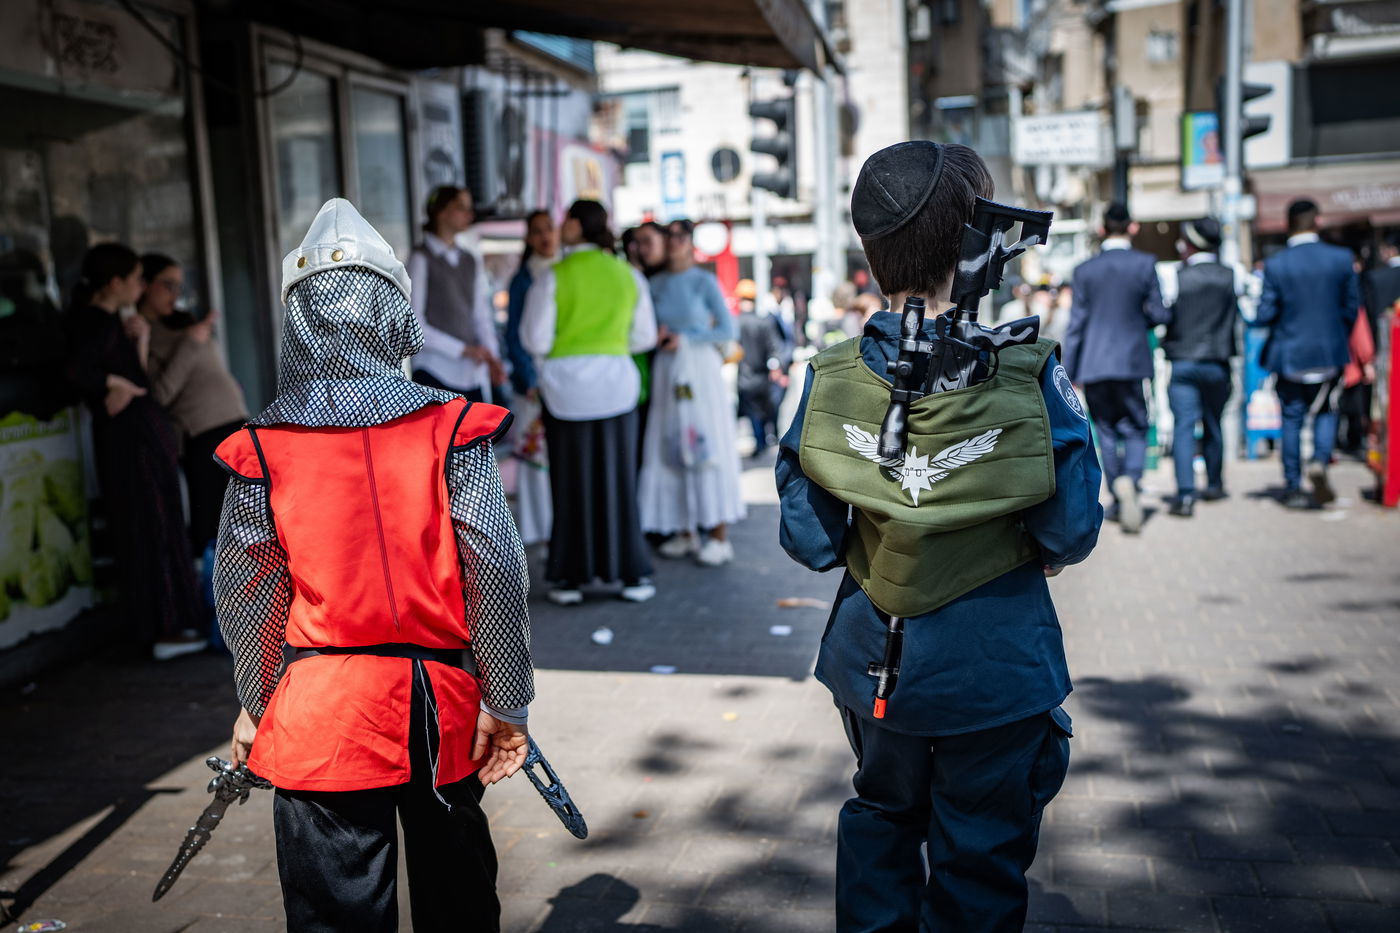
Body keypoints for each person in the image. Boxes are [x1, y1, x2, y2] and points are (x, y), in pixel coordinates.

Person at [777, 140, 1102, 932]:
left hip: (873, 663)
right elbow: (1072, 526)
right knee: (980, 863)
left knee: (881, 820)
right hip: (996, 666)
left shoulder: (832, 373)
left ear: (869, 246)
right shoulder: (1028, 371)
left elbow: (812, 540)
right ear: (978, 238)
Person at [215, 198, 533, 932]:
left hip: (320, 713)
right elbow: (496, 571)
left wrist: (261, 702)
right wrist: (507, 703)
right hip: (438, 706)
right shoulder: (448, 425)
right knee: (457, 906)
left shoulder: (266, 444)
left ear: (299, 318)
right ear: (392, 313)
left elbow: (246, 592)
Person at [63, 243, 205, 659]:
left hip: (139, 439)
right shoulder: (93, 322)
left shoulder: (111, 322)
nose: (142, 287)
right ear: (116, 283)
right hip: (131, 445)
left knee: (157, 524)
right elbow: (76, 373)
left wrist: (137, 348)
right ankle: (162, 628)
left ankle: (167, 625)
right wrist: (110, 385)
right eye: (138, 279)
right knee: (150, 527)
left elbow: (134, 379)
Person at [520, 199, 658, 604]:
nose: (561, 226)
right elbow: (644, 338)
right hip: (617, 386)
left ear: (578, 226)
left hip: (565, 390)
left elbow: (535, 339)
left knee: (569, 484)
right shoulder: (628, 275)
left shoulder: (553, 276)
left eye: (566, 220)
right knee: (619, 482)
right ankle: (631, 574)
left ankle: (569, 579)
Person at [640, 219, 746, 567]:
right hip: (667, 371)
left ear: (690, 242)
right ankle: (683, 529)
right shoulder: (652, 283)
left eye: (681, 236)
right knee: (670, 444)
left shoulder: (704, 280)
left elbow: (728, 329)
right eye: (668, 235)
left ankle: (718, 534)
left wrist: (686, 339)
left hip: (699, 371)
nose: (674, 242)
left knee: (706, 443)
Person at [1062, 202, 1170, 534]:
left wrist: (1069, 370)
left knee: (1105, 429)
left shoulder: (1084, 270)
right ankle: (1132, 481)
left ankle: (1117, 491)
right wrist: (1142, 318)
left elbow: (1076, 324)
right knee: (1137, 425)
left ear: (1102, 229)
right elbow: (1159, 314)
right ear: (1132, 227)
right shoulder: (1144, 264)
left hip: (1093, 363)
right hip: (1132, 360)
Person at [136, 253, 249, 550]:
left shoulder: (183, 324)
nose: (175, 294)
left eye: (179, 287)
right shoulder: (143, 334)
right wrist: (189, 343)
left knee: (248, 519)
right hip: (202, 436)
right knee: (215, 526)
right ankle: (213, 594)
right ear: (144, 285)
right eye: (167, 285)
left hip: (234, 423)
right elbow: (159, 394)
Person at [1255, 199, 1359, 509]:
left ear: (1288, 225)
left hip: (1290, 353)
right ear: (1318, 221)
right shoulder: (1341, 259)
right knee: (1326, 410)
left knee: (1291, 418)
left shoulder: (1276, 264)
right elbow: (1351, 308)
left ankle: (1292, 485)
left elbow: (1264, 314)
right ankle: (1319, 461)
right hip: (1330, 350)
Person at [1161, 218, 1238, 517]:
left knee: (1183, 426)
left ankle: (1185, 495)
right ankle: (1215, 483)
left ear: (1189, 243)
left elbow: (1164, 314)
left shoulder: (1174, 276)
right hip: (1219, 361)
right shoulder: (1233, 274)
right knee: (1214, 423)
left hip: (1183, 361)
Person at [407, 185, 504, 402]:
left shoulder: (470, 259)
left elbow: (481, 316)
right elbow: (415, 323)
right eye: (461, 207)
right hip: (434, 368)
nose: (469, 214)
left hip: (470, 373)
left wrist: (493, 357)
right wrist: (464, 349)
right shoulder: (421, 258)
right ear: (441, 211)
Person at [503, 210, 557, 547]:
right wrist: (530, 378)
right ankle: (540, 530)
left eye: (549, 229)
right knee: (536, 458)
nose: (545, 238)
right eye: (537, 232)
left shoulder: (566, 272)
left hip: (565, 379)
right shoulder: (523, 280)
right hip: (534, 385)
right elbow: (515, 337)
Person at [735, 278, 786, 455]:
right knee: (764, 409)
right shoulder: (763, 322)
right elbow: (774, 348)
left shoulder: (735, 323)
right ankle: (764, 440)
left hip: (744, 376)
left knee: (752, 412)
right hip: (762, 376)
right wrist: (776, 368)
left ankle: (760, 442)